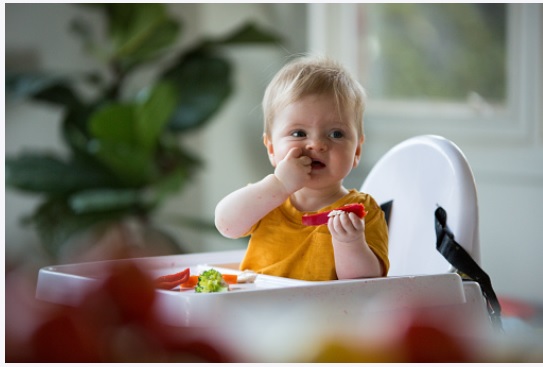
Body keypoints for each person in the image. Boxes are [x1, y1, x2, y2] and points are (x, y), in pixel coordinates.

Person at [214, 55, 389, 281]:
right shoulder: (266, 199)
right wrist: (279, 185)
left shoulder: (363, 211)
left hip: (331, 314)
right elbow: (226, 224)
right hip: (259, 309)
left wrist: (350, 242)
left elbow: (366, 285)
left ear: (356, 151)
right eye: (298, 133)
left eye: (336, 134)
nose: (316, 144)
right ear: (271, 149)